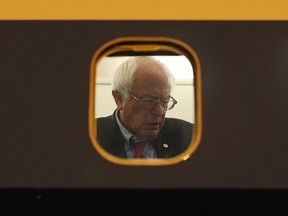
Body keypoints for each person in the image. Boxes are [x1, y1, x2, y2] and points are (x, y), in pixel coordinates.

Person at [97, 56, 193, 159]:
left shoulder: (189, 136)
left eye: (164, 101)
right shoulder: (90, 137)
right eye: (148, 101)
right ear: (119, 99)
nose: (159, 111)